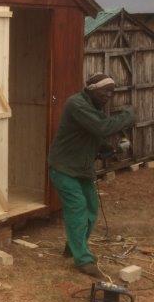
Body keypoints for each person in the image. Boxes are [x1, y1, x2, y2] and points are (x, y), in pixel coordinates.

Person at [48, 73, 135, 277]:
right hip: (64, 167)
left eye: (111, 92)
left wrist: (107, 149)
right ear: (91, 89)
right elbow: (101, 127)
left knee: (91, 208)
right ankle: (83, 260)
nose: (109, 95)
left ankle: (74, 246)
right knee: (77, 207)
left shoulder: (94, 108)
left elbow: (95, 133)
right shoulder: (76, 104)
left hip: (82, 168)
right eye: (105, 91)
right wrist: (128, 115)